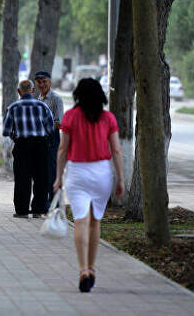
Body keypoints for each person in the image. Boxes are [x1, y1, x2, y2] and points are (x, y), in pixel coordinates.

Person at [53, 78, 124, 293]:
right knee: (95, 221)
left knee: (81, 221)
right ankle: (92, 269)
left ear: (78, 95)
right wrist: (120, 178)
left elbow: (63, 150)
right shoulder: (108, 118)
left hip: (77, 172)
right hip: (102, 172)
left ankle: (82, 269)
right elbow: (117, 150)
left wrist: (58, 177)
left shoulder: (70, 117)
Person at [2, 80, 54, 218]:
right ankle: (38, 210)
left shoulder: (12, 107)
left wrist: (15, 136)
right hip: (41, 145)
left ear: (19, 91)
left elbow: (6, 131)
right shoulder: (43, 106)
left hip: (22, 145)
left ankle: (22, 210)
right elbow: (50, 128)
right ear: (32, 90)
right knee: (41, 178)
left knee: (22, 178)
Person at [34, 71, 64, 208]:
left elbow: (60, 123)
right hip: (40, 140)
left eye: (44, 81)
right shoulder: (38, 99)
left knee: (52, 173)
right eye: (39, 82)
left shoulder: (56, 98)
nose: (42, 84)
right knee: (42, 174)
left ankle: (55, 206)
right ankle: (45, 205)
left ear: (50, 82)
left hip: (52, 139)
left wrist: (43, 125)